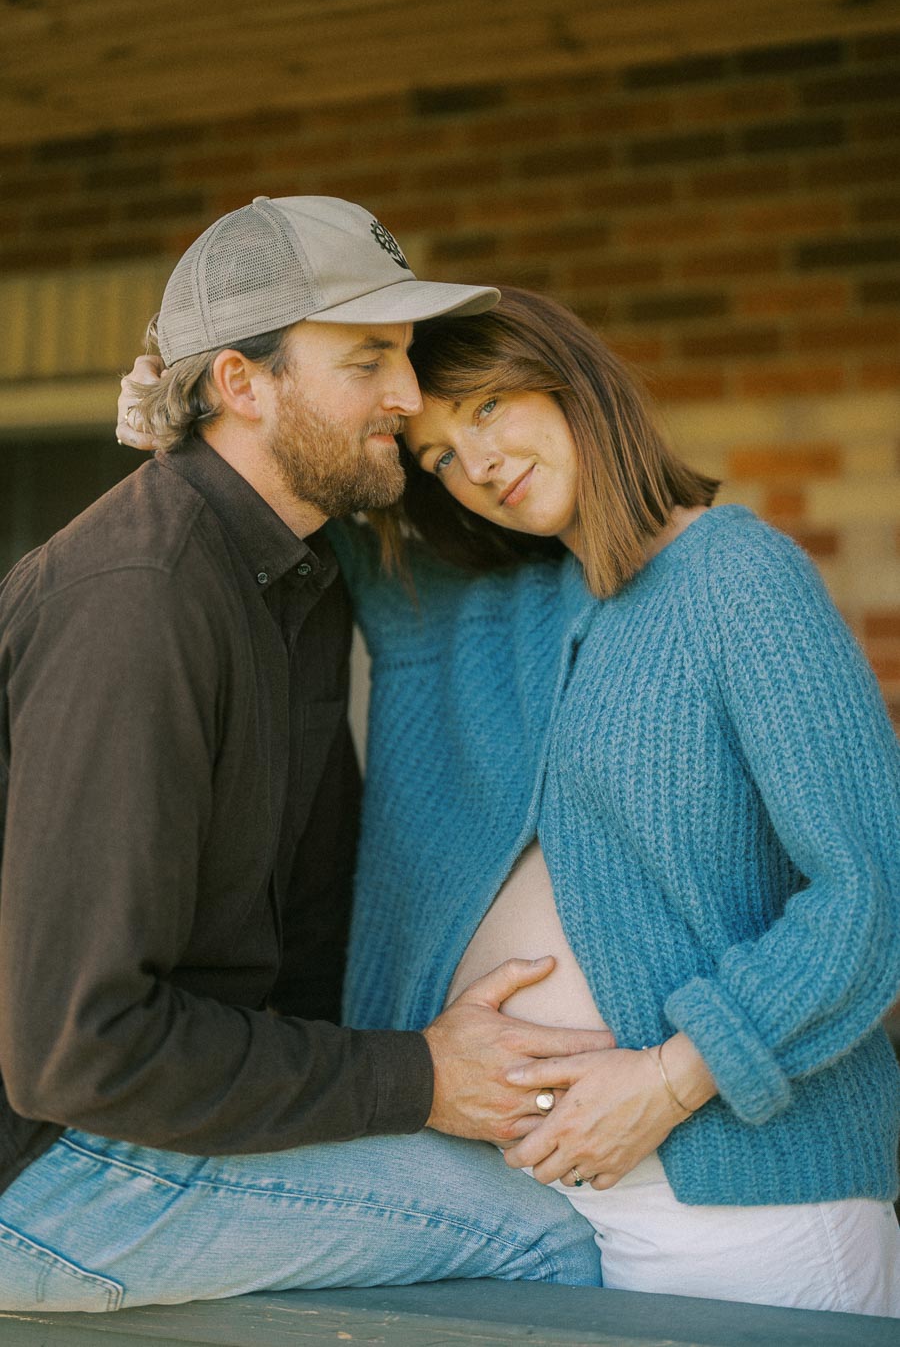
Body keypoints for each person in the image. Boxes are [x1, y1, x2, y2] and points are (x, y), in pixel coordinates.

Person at [0, 202, 618, 1314]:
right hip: (40, 1161)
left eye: (406, 357)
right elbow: (77, 1050)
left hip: (151, 1118)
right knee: (546, 1241)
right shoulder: (138, 606)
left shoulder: (297, 569)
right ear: (244, 384)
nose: (410, 396)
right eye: (368, 361)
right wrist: (420, 1078)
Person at [325, 286, 900, 1316]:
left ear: (569, 379)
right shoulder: (493, 612)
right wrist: (200, 404)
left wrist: (669, 1081)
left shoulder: (736, 574)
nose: (478, 465)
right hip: (529, 1201)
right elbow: (304, 502)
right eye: (440, 457)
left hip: (738, 1196)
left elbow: (874, 890)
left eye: (489, 408)